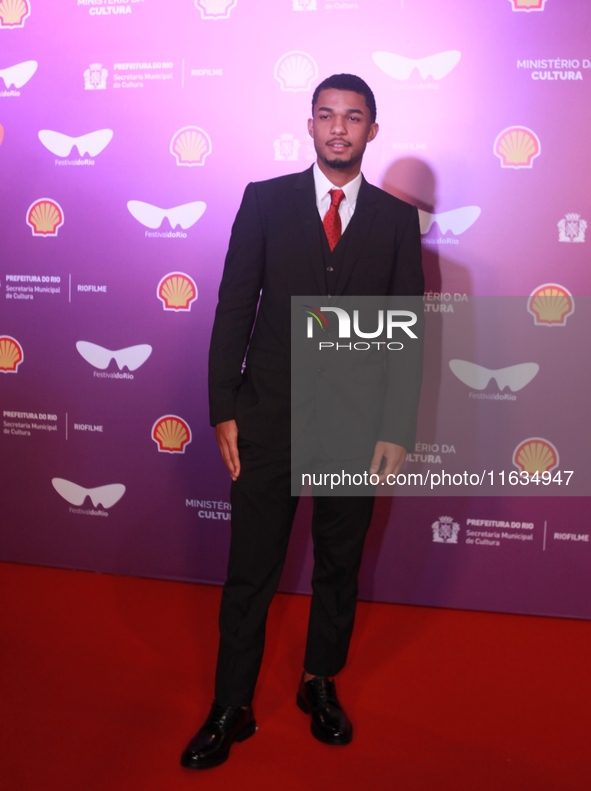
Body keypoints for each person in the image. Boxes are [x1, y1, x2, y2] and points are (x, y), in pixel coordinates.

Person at [181, 73, 424, 770]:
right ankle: (232, 704)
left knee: (338, 565)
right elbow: (233, 307)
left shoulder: (392, 220)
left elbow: (403, 333)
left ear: (371, 130)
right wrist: (223, 407)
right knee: (249, 571)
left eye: (353, 117)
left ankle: (319, 681)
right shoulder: (263, 202)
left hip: (354, 427)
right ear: (309, 125)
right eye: (326, 115)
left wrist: (394, 427)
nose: (339, 128)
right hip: (267, 418)